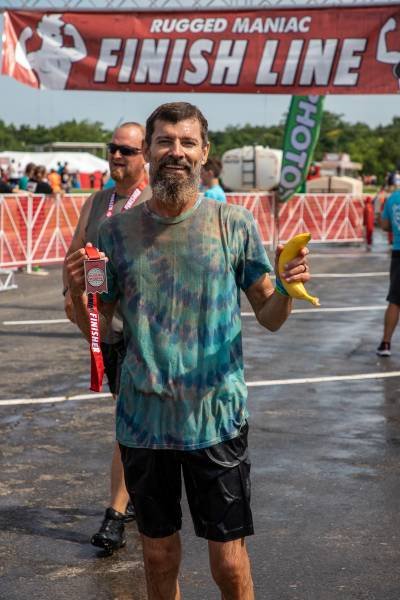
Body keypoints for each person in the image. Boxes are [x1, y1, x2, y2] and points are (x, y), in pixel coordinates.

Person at [66, 102, 312, 599]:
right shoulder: (114, 233)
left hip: (215, 420)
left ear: (204, 152)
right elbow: (100, 326)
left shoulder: (233, 224)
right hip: (144, 422)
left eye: (187, 142)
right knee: (158, 558)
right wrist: (77, 293)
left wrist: (287, 289)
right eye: (165, 141)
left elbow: (269, 315)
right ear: (149, 152)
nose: (175, 151)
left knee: (229, 564)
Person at [63, 122, 151, 555]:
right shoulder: (99, 201)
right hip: (109, 329)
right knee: (131, 419)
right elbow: (79, 251)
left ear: (145, 155)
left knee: (128, 421)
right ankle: (133, 494)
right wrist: (74, 292)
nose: (116, 156)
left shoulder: (154, 201)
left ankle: (115, 514)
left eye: (126, 151)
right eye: (112, 148)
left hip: (146, 331)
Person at [377, 186, 400, 356]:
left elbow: (384, 225)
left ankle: (385, 343)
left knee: (395, 300)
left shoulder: (393, 198)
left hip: (399, 253)